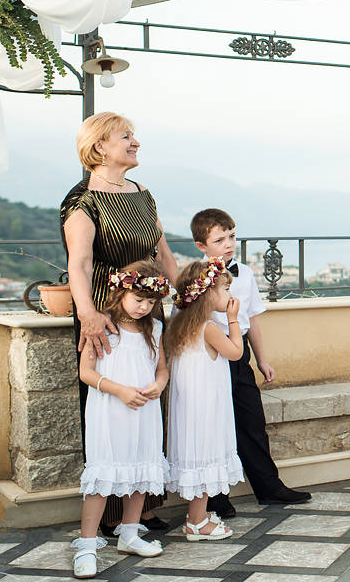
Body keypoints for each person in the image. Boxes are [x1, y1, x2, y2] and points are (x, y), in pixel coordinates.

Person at [60, 112, 178, 536]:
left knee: (148, 401)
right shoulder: (82, 201)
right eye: (126, 136)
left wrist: (183, 300)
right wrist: (88, 314)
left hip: (150, 312)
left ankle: (141, 510)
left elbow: (162, 251)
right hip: (104, 315)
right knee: (110, 408)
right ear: (99, 148)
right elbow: (80, 262)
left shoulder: (143, 192)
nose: (136, 143)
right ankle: (108, 517)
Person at [191, 208, 311, 518]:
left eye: (231, 236)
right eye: (220, 239)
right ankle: (216, 498)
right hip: (213, 355)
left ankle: (268, 487)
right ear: (202, 246)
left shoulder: (245, 273)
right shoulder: (197, 277)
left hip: (239, 352)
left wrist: (262, 359)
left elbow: (252, 321)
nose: (229, 243)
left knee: (252, 422)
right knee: (217, 425)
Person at [72, 260, 171, 578]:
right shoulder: (103, 327)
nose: (144, 307)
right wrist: (120, 391)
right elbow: (86, 372)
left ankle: (130, 532)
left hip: (144, 411)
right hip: (110, 411)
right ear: (120, 291)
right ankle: (87, 545)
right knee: (103, 476)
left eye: (151, 301)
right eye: (138, 299)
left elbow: (162, 369)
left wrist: (158, 385)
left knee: (141, 469)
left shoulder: (154, 329)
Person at [163, 258, 245, 541]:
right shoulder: (208, 328)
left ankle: (196, 514)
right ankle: (197, 522)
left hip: (191, 404)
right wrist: (233, 319)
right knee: (205, 454)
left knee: (197, 454)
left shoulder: (180, 324)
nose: (230, 296)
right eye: (225, 289)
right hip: (206, 405)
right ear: (208, 293)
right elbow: (235, 352)